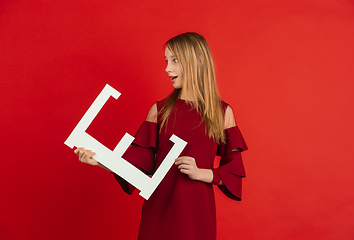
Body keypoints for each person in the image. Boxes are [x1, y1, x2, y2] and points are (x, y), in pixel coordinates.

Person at [75, 32, 248, 240]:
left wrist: (200, 173)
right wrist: (99, 161)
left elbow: (233, 173)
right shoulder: (159, 111)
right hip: (158, 217)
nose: (167, 68)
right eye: (167, 61)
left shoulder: (222, 113)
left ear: (196, 61)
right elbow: (135, 169)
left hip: (197, 220)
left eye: (175, 60)